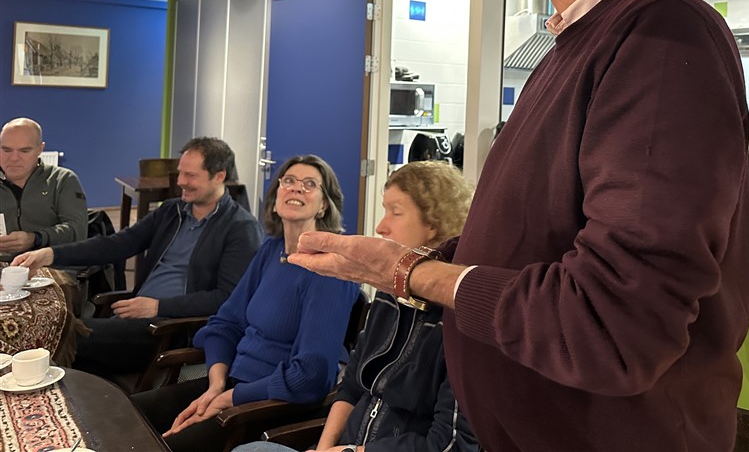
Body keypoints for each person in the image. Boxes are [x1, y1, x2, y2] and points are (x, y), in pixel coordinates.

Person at [290, 0, 749, 451]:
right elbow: (534, 240)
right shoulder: (576, 44)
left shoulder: (662, 34)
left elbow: (612, 323)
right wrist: (411, 259)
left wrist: (411, 275)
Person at [234, 161, 479, 452]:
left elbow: (449, 444)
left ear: (434, 223)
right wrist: (324, 448)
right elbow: (350, 387)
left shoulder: (460, 319)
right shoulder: (388, 294)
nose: (380, 226)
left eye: (395, 212)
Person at [132, 154, 360, 452]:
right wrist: (215, 383)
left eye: (309, 184)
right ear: (275, 198)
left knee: (151, 446)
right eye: (289, 181)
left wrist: (228, 399)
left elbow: (310, 377)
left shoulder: (330, 272)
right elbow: (225, 323)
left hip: (268, 404)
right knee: (127, 414)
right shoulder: (271, 251)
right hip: (230, 382)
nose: (296, 188)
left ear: (324, 205)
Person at [13, 136, 262, 377]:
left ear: (219, 176)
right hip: (137, 316)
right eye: (180, 173)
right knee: (61, 348)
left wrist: (157, 306)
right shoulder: (172, 211)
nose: (180, 182)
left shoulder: (240, 228)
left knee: (58, 333)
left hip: (172, 329)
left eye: (191, 175)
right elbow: (118, 244)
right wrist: (51, 254)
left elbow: (226, 298)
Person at [0, 117, 87, 258]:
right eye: (6, 150)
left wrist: (36, 238)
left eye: (24, 151)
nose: (14, 158)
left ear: (40, 149)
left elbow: (77, 231)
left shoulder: (62, 180)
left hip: (51, 263)